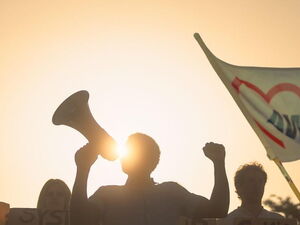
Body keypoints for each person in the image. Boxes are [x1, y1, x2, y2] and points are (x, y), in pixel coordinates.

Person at [70, 133, 229, 225]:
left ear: (153, 160)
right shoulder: (107, 194)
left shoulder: (171, 192)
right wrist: (82, 169)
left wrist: (219, 163)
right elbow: (79, 220)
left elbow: (218, 210)